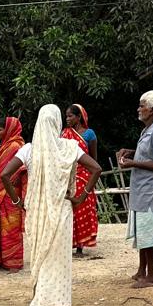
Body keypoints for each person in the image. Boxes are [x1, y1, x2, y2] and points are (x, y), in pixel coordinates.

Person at [1, 104, 100, 306]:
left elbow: (5, 175)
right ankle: (50, 305)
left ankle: (39, 300)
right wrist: (81, 197)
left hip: (36, 210)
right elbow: (96, 169)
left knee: (40, 255)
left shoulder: (29, 149)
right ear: (56, 123)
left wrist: (18, 200)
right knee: (57, 258)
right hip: (61, 208)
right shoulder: (69, 147)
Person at [118, 90, 153, 289]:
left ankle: (152, 276)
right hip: (142, 188)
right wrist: (131, 152)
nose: (139, 109)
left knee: (148, 233)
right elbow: (149, 153)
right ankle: (142, 270)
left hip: (151, 190)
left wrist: (134, 163)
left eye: (142, 105)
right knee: (142, 231)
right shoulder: (149, 128)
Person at [0, 116, 26, 271]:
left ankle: (13, 261)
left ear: (9, 130)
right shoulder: (3, 146)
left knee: (10, 226)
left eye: (0, 129)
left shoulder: (16, 146)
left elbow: (20, 170)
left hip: (11, 192)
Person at [63, 104, 99, 255]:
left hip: (84, 176)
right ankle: (68, 243)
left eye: (70, 116)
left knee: (81, 209)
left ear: (79, 117)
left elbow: (93, 159)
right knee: (68, 209)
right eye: (66, 116)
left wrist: (91, 178)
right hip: (68, 176)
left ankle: (80, 246)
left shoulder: (89, 134)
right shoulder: (64, 134)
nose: (67, 119)